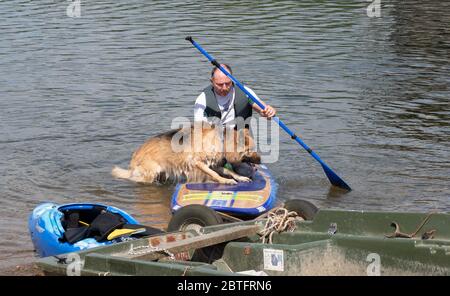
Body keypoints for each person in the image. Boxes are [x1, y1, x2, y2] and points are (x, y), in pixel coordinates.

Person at [194, 64, 276, 128]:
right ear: (212, 82)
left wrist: (268, 112)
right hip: (214, 141)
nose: (224, 88)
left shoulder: (245, 92)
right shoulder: (202, 100)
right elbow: (198, 129)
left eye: (228, 83)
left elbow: (262, 109)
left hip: (240, 139)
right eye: (220, 84)